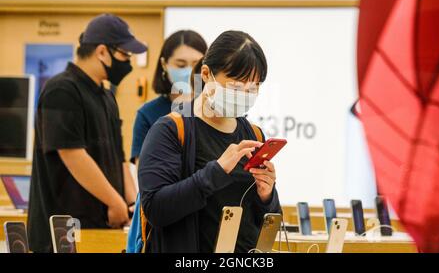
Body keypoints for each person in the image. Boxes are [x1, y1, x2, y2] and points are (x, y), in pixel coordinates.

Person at [138, 30, 281, 253]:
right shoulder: (171, 130)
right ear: (206, 74)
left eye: (253, 88)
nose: (244, 93)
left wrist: (267, 196)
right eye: (236, 86)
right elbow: (156, 209)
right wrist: (216, 171)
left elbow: (266, 221)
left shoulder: (254, 134)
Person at [27, 13, 147, 252]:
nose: (128, 62)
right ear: (102, 51)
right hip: (61, 231)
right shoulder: (61, 89)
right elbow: (72, 155)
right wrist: (114, 201)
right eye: (125, 55)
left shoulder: (106, 96)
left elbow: (118, 157)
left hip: (99, 228)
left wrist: (132, 203)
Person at [130, 30, 207, 165]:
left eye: (196, 65)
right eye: (181, 65)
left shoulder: (217, 110)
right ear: (164, 64)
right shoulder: (148, 114)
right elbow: (145, 175)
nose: (189, 71)